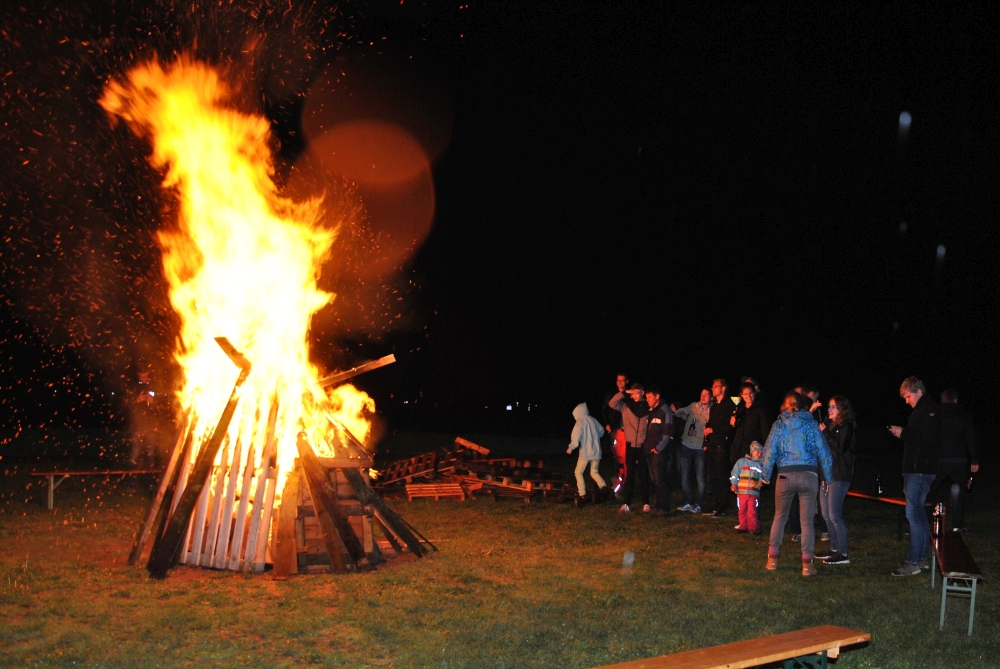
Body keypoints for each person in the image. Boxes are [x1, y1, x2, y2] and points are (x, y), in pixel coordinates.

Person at [761, 391, 834, 577]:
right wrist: (828, 476)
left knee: (780, 516)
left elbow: (769, 450)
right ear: (802, 405)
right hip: (808, 474)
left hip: (785, 475)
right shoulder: (810, 424)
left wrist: (766, 475)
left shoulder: (779, 425)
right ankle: (807, 565)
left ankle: (772, 560)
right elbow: (823, 451)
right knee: (807, 521)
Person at [888, 376, 942, 576]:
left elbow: (927, 439)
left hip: (919, 470)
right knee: (918, 514)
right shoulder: (924, 410)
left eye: (908, 396)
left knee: (913, 514)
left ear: (918, 391)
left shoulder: (928, 410)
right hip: (919, 469)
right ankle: (921, 557)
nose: (906, 400)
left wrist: (903, 433)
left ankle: (913, 561)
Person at [816, 395, 857, 565]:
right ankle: (833, 549)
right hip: (827, 474)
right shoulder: (830, 426)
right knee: (825, 514)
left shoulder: (847, 426)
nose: (829, 410)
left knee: (834, 514)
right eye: (829, 406)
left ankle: (843, 552)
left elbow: (841, 448)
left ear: (842, 409)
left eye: (834, 407)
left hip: (840, 474)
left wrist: (825, 433)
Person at [931, 389, 980, 533]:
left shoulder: (935, 413)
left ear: (942, 399)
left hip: (938, 460)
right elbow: (971, 438)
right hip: (958, 461)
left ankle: (927, 523)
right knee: (957, 491)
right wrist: (975, 459)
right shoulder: (964, 414)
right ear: (956, 400)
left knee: (931, 491)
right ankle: (957, 526)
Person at [789, 383, 828, 541]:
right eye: (811, 399)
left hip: (814, 460)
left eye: (815, 399)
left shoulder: (817, 412)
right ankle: (798, 531)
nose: (815, 402)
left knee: (817, 495)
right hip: (797, 461)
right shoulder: (793, 413)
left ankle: (822, 528)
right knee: (796, 496)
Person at [609, 382, 650, 513]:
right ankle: (627, 503)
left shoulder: (648, 405)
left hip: (643, 445)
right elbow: (612, 403)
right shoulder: (626, 405)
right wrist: (624, 393)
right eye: (633, 392)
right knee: (630, 475)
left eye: (638, 392)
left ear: (642, 393)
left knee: (644, 475)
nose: (636, 395)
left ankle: (646, 503)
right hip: (630, 445)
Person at [672, 388, 712, 513]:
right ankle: (688, 501)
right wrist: (679, 413)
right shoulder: (694, 406)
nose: (703, 396)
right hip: (686, 444)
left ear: (711, 397)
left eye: (706, 394)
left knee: (700, 477)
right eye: (702, 394)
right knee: (684, 475)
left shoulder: (713, 410)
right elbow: (681, 412)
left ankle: (698, 503)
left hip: (700, 447)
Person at [703, 378, 737, 517]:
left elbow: (730, 427)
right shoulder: (714, 406)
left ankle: (723, 506)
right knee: (713, 477)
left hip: (721, 446)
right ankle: (717, 505)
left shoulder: (729, 405)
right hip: (711, 446)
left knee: (722, 476)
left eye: (715, 386)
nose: (713, 389)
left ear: (723, 388)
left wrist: (713, 430)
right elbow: (709, 424)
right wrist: (705, 443)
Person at [566, 402, 608, 501]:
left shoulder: (580, 422)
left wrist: (570, 448)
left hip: (585, 453)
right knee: (594, 471)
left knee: (578, 472)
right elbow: (602, 431)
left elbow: (575, 437)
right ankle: (603, 486)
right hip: (597, 452)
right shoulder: (594, 420)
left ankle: (582, 493)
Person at [644, 386, 674, 517]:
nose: (647, 400)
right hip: (650, 451)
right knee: (655, 480)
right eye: (646, 398)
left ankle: (665, 508)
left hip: (659, 452)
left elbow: (667, 432)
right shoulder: (653, 411)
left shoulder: (664, 410)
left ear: (657, 397)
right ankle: (658, 505)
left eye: (649, 397)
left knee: (661, 479)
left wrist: (658, 448)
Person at [729, 382, 772, 465]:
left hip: (753, 453)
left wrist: (764, 452)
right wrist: (732, 424)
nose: (748, 396)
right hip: (738, 453)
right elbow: (733, 432)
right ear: (741, 395)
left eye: (750, 393)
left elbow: (766, 433)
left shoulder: (760, 410)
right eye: (745, 394)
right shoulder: (739, 410)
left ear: (754, 393)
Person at [129, 364, 161, 469]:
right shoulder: (133, 386)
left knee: (150, 453)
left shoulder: (153, 386)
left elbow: (162, 403)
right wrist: (137, 400)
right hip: (137, 424)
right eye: (142, 376)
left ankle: (149, 480)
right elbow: (124, 404)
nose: (144, 379)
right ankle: (131, 480)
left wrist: (154, 402)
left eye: (146, 376)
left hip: (151, 424)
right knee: (136, 452)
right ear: (138, 374)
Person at [730, 440, 765, 534]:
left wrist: (761, 481)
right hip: (741, 492)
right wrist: (734, 484)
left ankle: (753, 527)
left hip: (753, 493)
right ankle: (743, 526)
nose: (759, 454)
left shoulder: (760, 465)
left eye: (761, 452)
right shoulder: (741, 462)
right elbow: (735, 474)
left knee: (752, 511)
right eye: (757, 451)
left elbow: (762, 476)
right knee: (742, 510)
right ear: (752, 451)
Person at [603, 373, 629, 491]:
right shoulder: (612, 394)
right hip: (614, 429)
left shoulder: (629, 395)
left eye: (622, 381)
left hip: (627, 430)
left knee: (626, 455)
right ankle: (617, 480)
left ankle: (625, 481)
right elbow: (604, 409)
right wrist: (607, 423)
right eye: (618, 380)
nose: (620, 383)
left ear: (626, 382)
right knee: (617, 454)